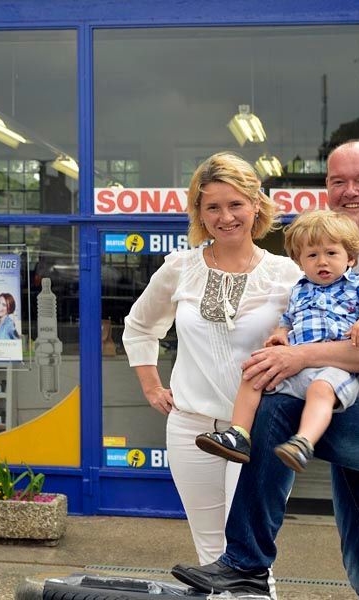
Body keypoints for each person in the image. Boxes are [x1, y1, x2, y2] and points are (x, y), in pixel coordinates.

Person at [171, 140, 359, 600]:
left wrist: (298, 357)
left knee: (276, 411)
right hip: (357, 412)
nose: (350, 191)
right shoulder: (337, 250)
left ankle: (245, 563)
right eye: (339, 181)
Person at [122, 152, 302, 565]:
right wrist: (151, 385)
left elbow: (332, 324)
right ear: (200, 213)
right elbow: (140, 325)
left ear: (256, 205)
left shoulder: (288, 275)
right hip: (191, 430)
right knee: (210, 555)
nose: (226, 217)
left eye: (236, 204)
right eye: (213, 207)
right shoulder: (180, 268)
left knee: (250, 558)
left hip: (260, 432)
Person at [195, 210, 359, 472]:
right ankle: (238, 434)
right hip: (295, 368)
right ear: (299, 262)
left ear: (350, 257)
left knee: (321, 390)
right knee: (254, 371)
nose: (322, 262)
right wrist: (279, 336)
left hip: (335, 370)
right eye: (312, 255)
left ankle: (303, 442)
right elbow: (286, 323)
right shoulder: (299, 289)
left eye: (331, 253)